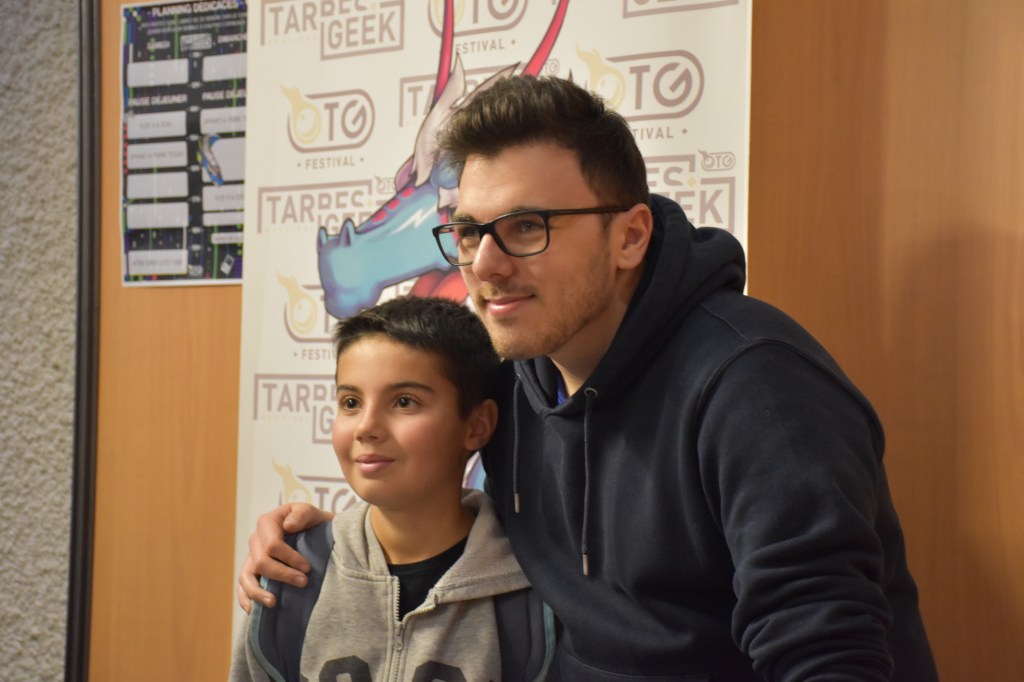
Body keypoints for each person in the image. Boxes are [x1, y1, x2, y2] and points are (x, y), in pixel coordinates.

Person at [239, 76, 938, 680]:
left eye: (527, 227)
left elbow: (827, 653)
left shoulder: (754, 386)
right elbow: (440, 509)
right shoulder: (514, 380)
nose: (485, 265)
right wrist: (325, 545)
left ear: (630, 236)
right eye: (469, 232)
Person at [230, 296, 554, 682]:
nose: (366, 427)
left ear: (476, 425)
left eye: (404, 402)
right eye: (351, 402)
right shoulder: (290, 573)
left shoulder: (537, 592)